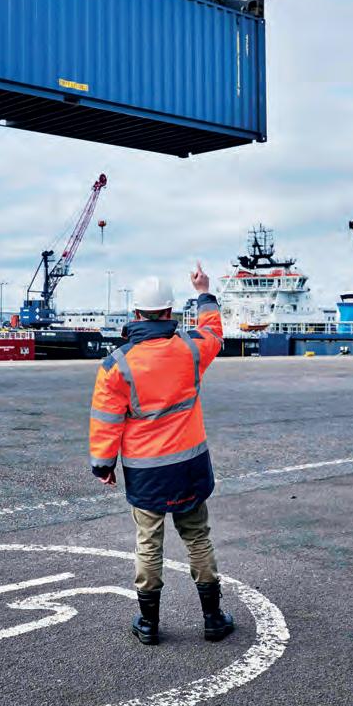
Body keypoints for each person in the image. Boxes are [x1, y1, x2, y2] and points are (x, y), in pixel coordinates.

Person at [88, 263, 234, 646]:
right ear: (169, 311)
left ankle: (149, 623)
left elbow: (106, 420)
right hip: (189, 468)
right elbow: (214, 333)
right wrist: (203, 292)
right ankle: (213, 618)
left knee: (148, 543)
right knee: (197, 538)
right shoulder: (190, 349)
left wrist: (103, 464)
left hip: (147, 472)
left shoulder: (117, 364)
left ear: (136, 313)